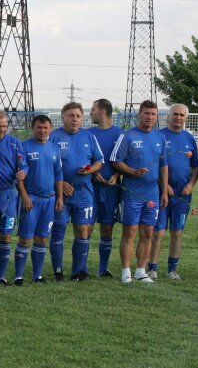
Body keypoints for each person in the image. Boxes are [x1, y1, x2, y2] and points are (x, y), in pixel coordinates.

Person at [110, 100, 169, 284]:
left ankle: (141, 271)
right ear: (139, 114)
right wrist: (133, 172)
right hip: (132, 194)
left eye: (153, 114)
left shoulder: (159, 138)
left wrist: (164, 191)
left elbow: (163, 166)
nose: (150, 117)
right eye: (146, 113)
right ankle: (126, 271)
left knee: (148, 232)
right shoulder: (127, 136)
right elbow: (115, 161)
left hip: (152, 193)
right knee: (130, 231)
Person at [48, 102, 104, 282]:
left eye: (78, 116)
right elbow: (46, 164)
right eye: (71, 115)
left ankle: (79, 271)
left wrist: (90, 170)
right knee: (58, 230)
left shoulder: (89, 137)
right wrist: (61, 182)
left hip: (84, 193)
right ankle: (58, 271)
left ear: (82, 118)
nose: (74, 119)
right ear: (63, 117)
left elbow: (99, 161)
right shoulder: (53, 137)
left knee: (83, 230)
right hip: (60, 194)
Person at [150, 104, 198, 281]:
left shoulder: (189, 138)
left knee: (177, 232)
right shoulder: (159, 135)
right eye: (175, 114)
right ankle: (152, 269)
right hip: (162, 193)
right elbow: (154, 164)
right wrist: (164, 185)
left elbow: (196, 167)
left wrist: (191, 184)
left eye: (181, 115)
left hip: (183, 194)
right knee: (159, 231)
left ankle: (172, 269)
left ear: (185, 117)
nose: (178, 118)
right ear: (168, 116)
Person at [14, 115, 65, 285]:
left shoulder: (54, 149)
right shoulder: (25, 147)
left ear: (50, 129)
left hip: (49, 200)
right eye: (39, 127)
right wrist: (24, 196)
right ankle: (19, 276)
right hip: (31, 200)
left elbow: (59, 175)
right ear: (33, 128)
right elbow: (19, 176)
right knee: (25, 238)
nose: (42, 131)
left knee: (42, 238)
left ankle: (37, 276)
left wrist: (59, 197)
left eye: (45, 128)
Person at [0, 110, 27, 286]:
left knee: (6, 236)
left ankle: (1, 275)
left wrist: (24, 171)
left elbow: (23, 164)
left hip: (8, 196)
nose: (2, 130)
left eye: (4, 126)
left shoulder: (14, 143)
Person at [88, 98, 123, 278]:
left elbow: (125, 160)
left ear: (102, 111)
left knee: (107, 227)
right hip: (90, 188)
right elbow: (84, 159)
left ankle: (103, 268)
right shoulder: (87, 134)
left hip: (112, 188)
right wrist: (93, 173)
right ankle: (81, 268)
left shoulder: (120, 134)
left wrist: (116, 175)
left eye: (93, 109)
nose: (90, 113)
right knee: (85, 227)